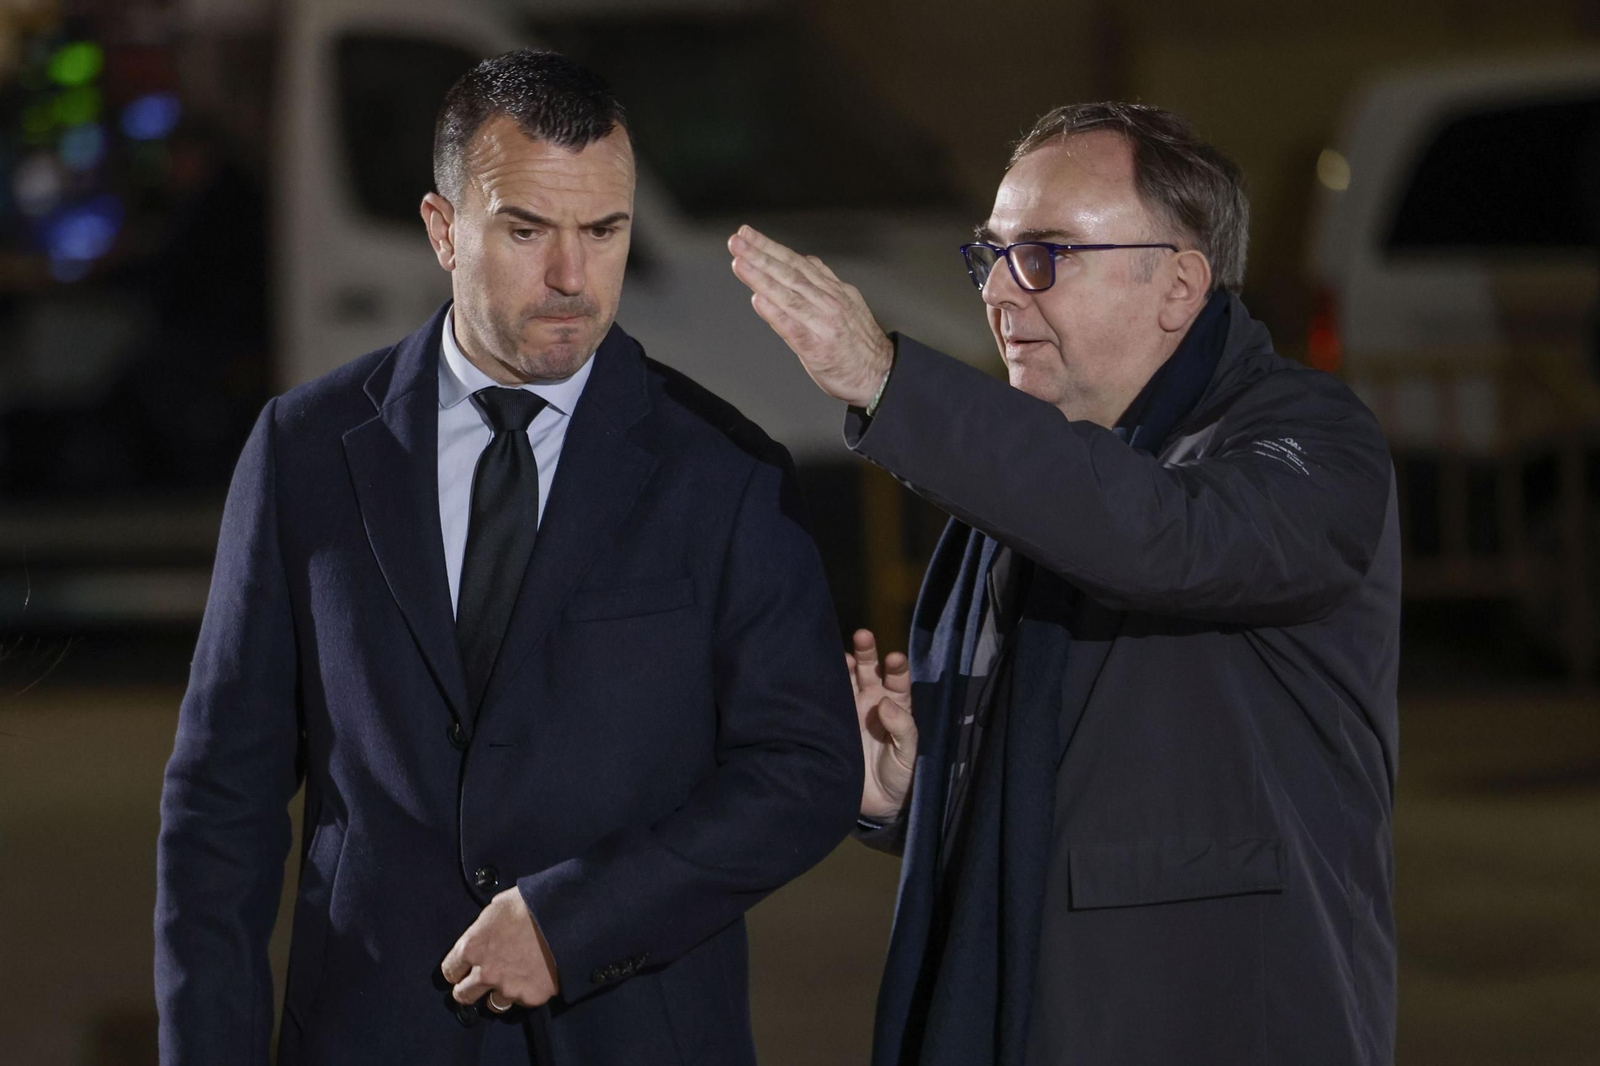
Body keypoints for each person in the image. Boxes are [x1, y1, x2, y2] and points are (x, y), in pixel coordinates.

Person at [156, 49, 861, 1066]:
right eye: (527, 230)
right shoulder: (305, 451)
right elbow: (221, 800)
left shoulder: (724, 471)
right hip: (374, 1033)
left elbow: (805, 769)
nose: (572, 277)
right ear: (444, 230)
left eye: (604, 231)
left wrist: (577, 920)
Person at [729, 102, 1399, 1066]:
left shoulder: (1312, 443)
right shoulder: (1017, 480)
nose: (1001, 293)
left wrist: (886, 377)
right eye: (990, 256)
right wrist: (905, 790)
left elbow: (1165, 537)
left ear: (1178, 284)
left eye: (1044, 255)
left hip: (1210, 1018)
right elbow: (1063, 778)